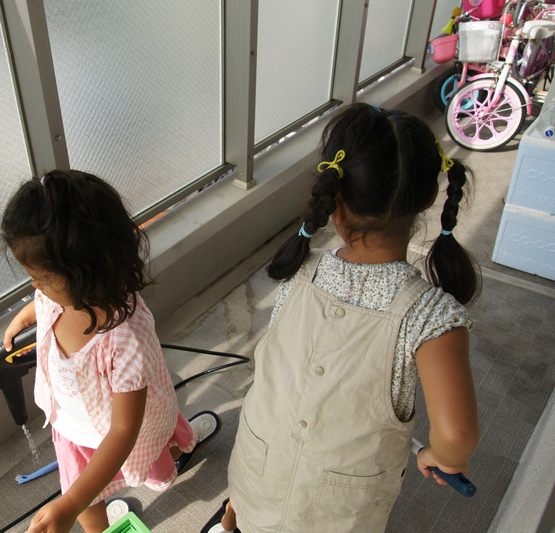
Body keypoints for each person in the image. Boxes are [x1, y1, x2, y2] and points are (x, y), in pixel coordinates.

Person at [203, 103, 481, 532]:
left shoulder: (300, 267)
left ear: (334, 201)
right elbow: (457, 436)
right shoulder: (432, 317)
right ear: (430, 198)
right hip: (335, 513)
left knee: (247, 510)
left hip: (257, 467)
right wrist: (439, 456)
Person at [0, 169, 215, 533]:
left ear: (85, 272)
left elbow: (124, 429)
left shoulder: (124, 337)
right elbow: (43, 301)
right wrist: (25, 315)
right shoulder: (57, 296)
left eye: (42, 279)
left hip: (122, 433)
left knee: (133, 468)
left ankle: (177, 450)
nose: (35, 287)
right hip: (73, 430)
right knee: (83, 499)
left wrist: (69, 503)